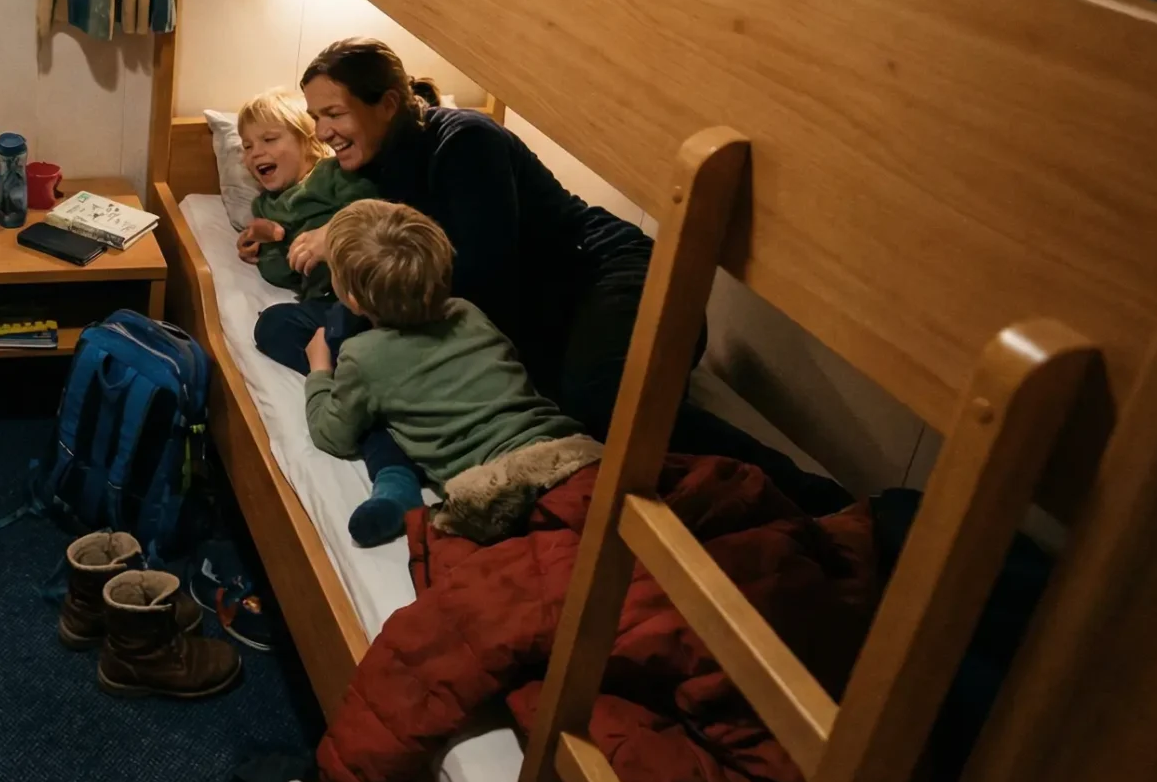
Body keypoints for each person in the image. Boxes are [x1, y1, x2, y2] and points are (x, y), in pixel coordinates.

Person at [281, 37, 849, 513]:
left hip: (613, 273)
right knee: (551, 402)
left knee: (599, 402)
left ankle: (823, 502)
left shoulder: (464, 142)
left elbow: (478, 273)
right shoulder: (377, 167)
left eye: (334, 113)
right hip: (549, 302)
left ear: (386, 104)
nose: (324, 131)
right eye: (316, 118)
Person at [305, 199, 600, 542]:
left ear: (353, 299)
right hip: (572, 451)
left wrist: (319, 369)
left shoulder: (361, 355)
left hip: (503, 488)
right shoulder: (467, 312)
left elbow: (332, 435)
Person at [227, 89, 423, 544]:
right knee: (273, 324)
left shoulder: (334, 178)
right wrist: (268, 238)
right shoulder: (264, 206)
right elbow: (285, 276)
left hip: (371, 295)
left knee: (351, 367)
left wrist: (325, 234)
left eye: (269, 139)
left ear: (307, 140)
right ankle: (394, 473)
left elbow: (373, 216)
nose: (256, 152)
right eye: (247, 146)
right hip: (332, 308)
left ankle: (392, 463)